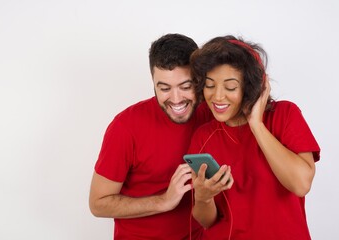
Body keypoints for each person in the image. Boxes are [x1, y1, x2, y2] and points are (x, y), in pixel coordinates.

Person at [187, 35, 321, 240]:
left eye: (230, 87)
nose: (218, 96)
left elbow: (301, 184)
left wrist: (256, 125)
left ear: (251, 87)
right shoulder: (203, 137)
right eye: (210, 85)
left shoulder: (285, 115)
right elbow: (207, 221)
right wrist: (204, 198)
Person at [89, 33, 213, 239]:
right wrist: (163, 201)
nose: (176, 99)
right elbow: (98, 204)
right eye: (164, 88)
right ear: (153, 82)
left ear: (199, 80)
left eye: (186, 86)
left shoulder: (211, 113)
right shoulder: (125, 127)